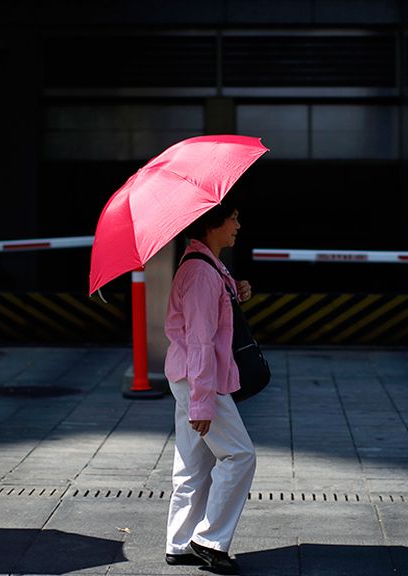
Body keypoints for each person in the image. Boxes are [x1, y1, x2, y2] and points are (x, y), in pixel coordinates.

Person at [163, 200, 257, 575]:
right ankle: (209, 539)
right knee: (239, 456)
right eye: (232, 217)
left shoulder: (204, 264)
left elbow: (210, 306)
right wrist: (203, 404)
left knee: (194, 461)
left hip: (187, 376)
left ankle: (180, 541)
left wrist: (236, 289)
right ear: (212, 224)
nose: (237, 223)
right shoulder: (202, 272)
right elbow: (200, 340)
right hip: (201, 379)